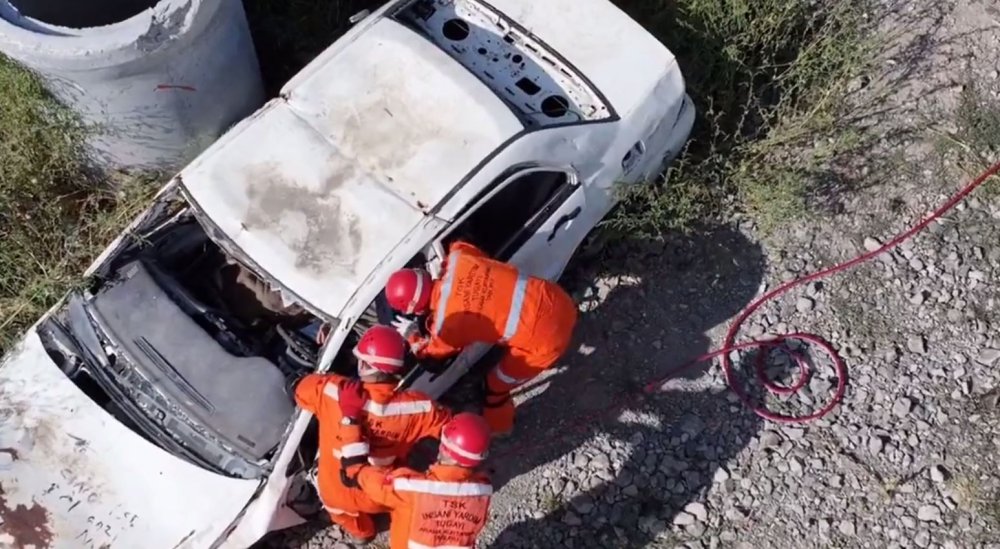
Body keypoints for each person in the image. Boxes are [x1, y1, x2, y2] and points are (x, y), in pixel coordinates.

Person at [385, 240, 578, 435]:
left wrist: (411, 335)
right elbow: (459, 244)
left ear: (415, 309)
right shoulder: (458, 259)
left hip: (548, 340)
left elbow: (431, 359)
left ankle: (500, 429)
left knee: (494, 388)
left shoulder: (448, 326)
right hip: (558, 300)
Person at [291, 325, 452, 543]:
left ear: (363, 364)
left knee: (343, 515)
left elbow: (297, 389)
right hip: (379, 495)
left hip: (334, 493)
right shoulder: (418, 408)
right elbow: (450, 429)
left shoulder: (330, 390)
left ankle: (363, 534)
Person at [335, 378, 493, 549]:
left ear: (445, 449)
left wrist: (350, 421)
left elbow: (370, 480)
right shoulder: (483, 490)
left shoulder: (410, 489)